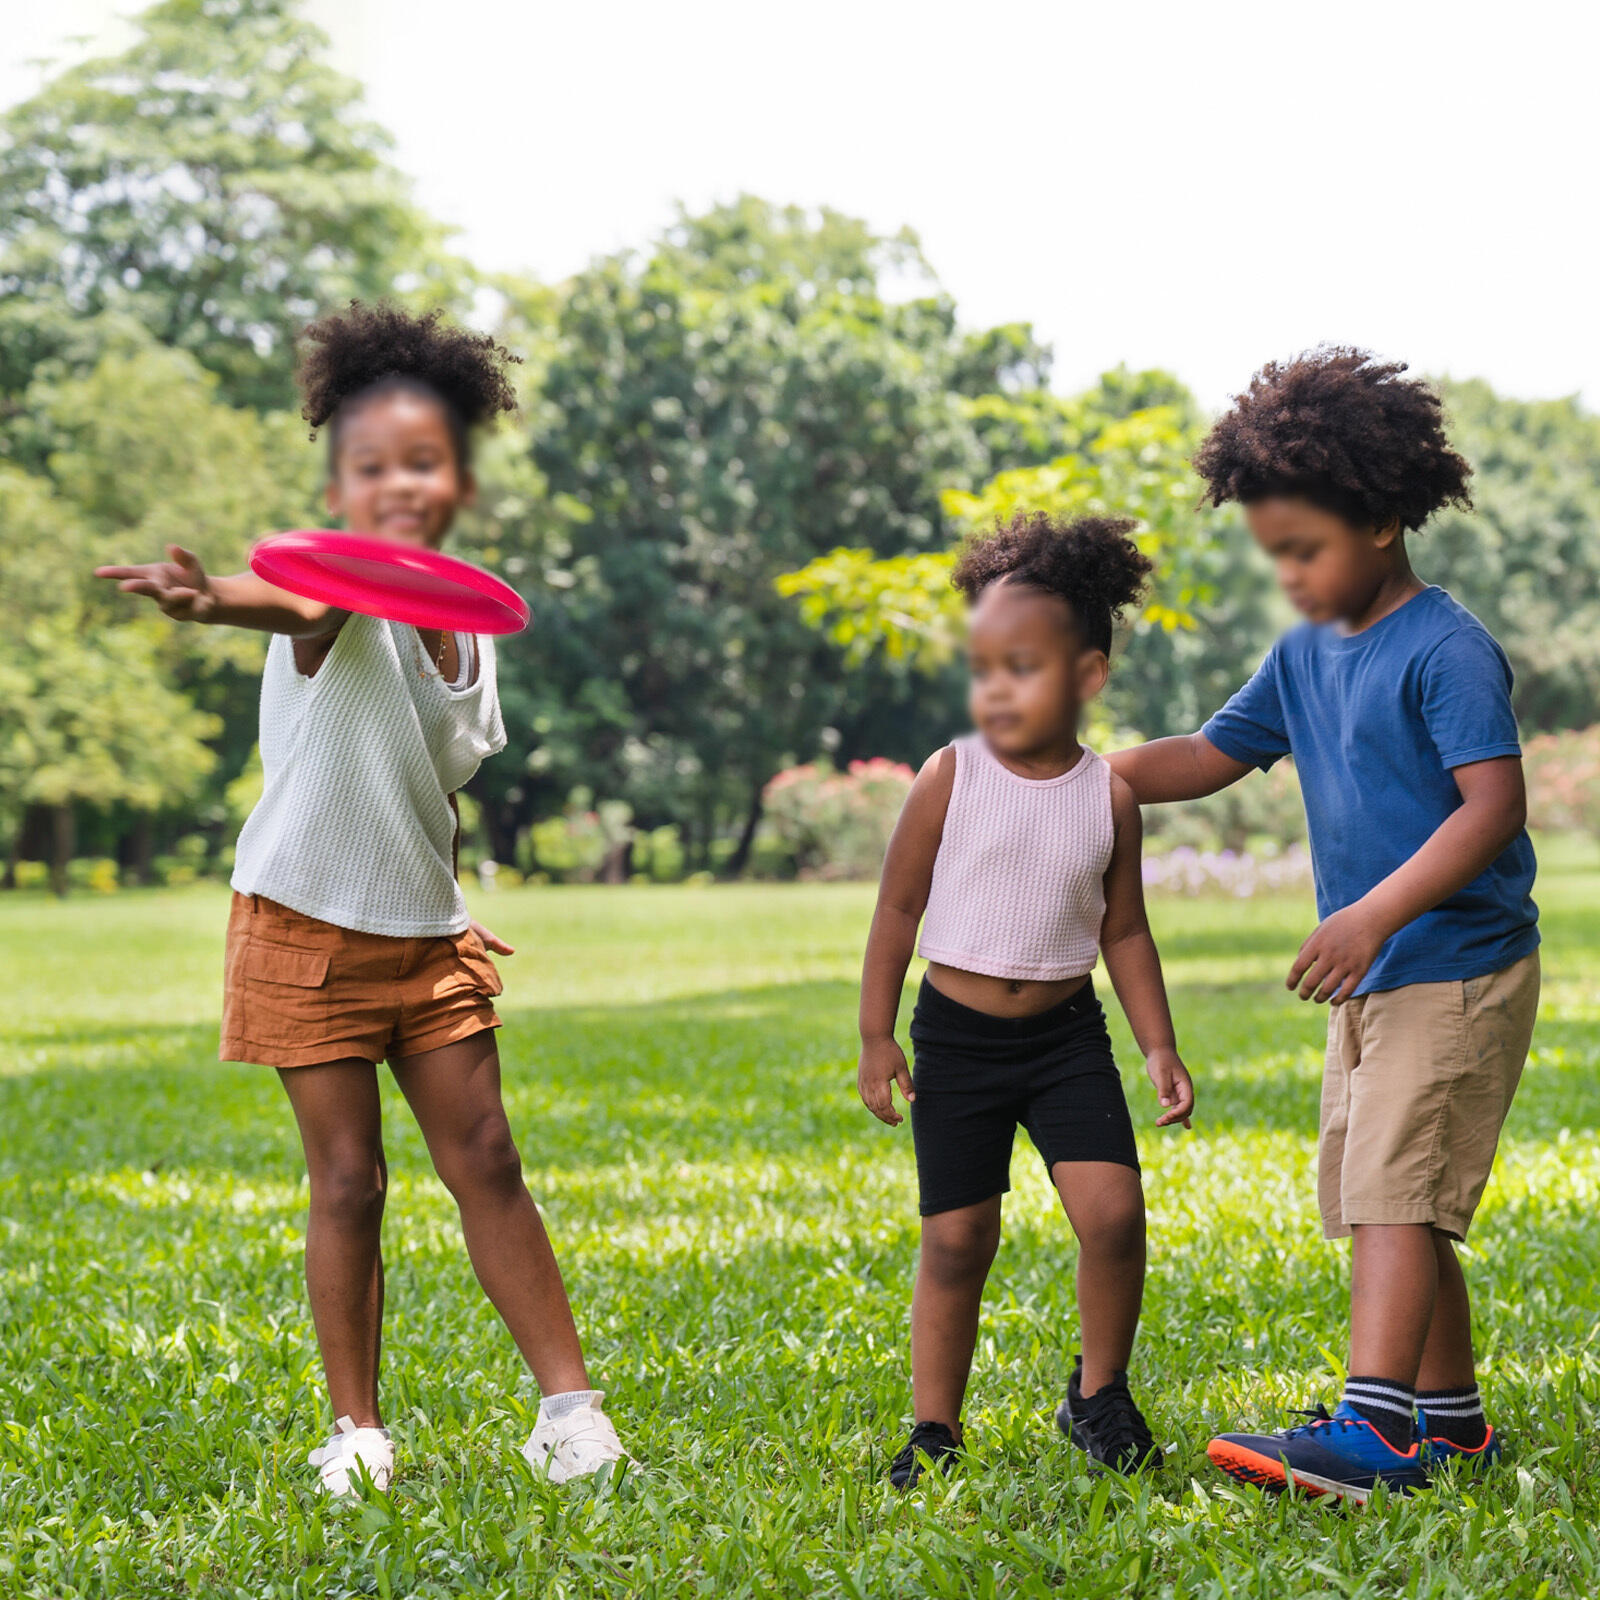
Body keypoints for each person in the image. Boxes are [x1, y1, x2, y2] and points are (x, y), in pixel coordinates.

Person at [96, 303, 630, 1494]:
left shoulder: (474, 634)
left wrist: (448, 895)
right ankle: (357, 1431)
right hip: (302, 925)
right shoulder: (332, 594)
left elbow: (429, 782)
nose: (397, 484)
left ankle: (569, 1410)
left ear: (458, 480)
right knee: (349, 1178)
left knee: (488, 1155)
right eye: (370, 465)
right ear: (338, 486)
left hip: (424, 931)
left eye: (421, 462)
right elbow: (290, 605)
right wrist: (206, 598)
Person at [1110, 348, 1538, 1503]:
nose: (1289, 577)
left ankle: (1375, 1431)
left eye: (1304, 550)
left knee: (1396, 1191)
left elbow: (1493, 807)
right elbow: (1209, 754)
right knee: (1383, 1196)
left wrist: (1371, 913)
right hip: (1377, 975)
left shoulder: (1443, 647)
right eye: (1274, 556)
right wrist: (1071, 775)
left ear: (1383, 520)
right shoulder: (1302, 652)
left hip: (1453, 968)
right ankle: (1451, 1426)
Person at [857, 511, 1196, 1490]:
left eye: (1024, 667)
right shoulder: (951, 774)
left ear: (1088, 674)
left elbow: (1124, 931)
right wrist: (877, 1034)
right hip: (957, 1041)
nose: (997, 689)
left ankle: (1098, 1395)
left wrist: (1158, 1045)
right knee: (958, 1238)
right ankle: (934, 1427)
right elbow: (897, 907)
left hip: (1066, 1040)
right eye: (984, 669)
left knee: (1114, 1214)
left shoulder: (1109, 796)